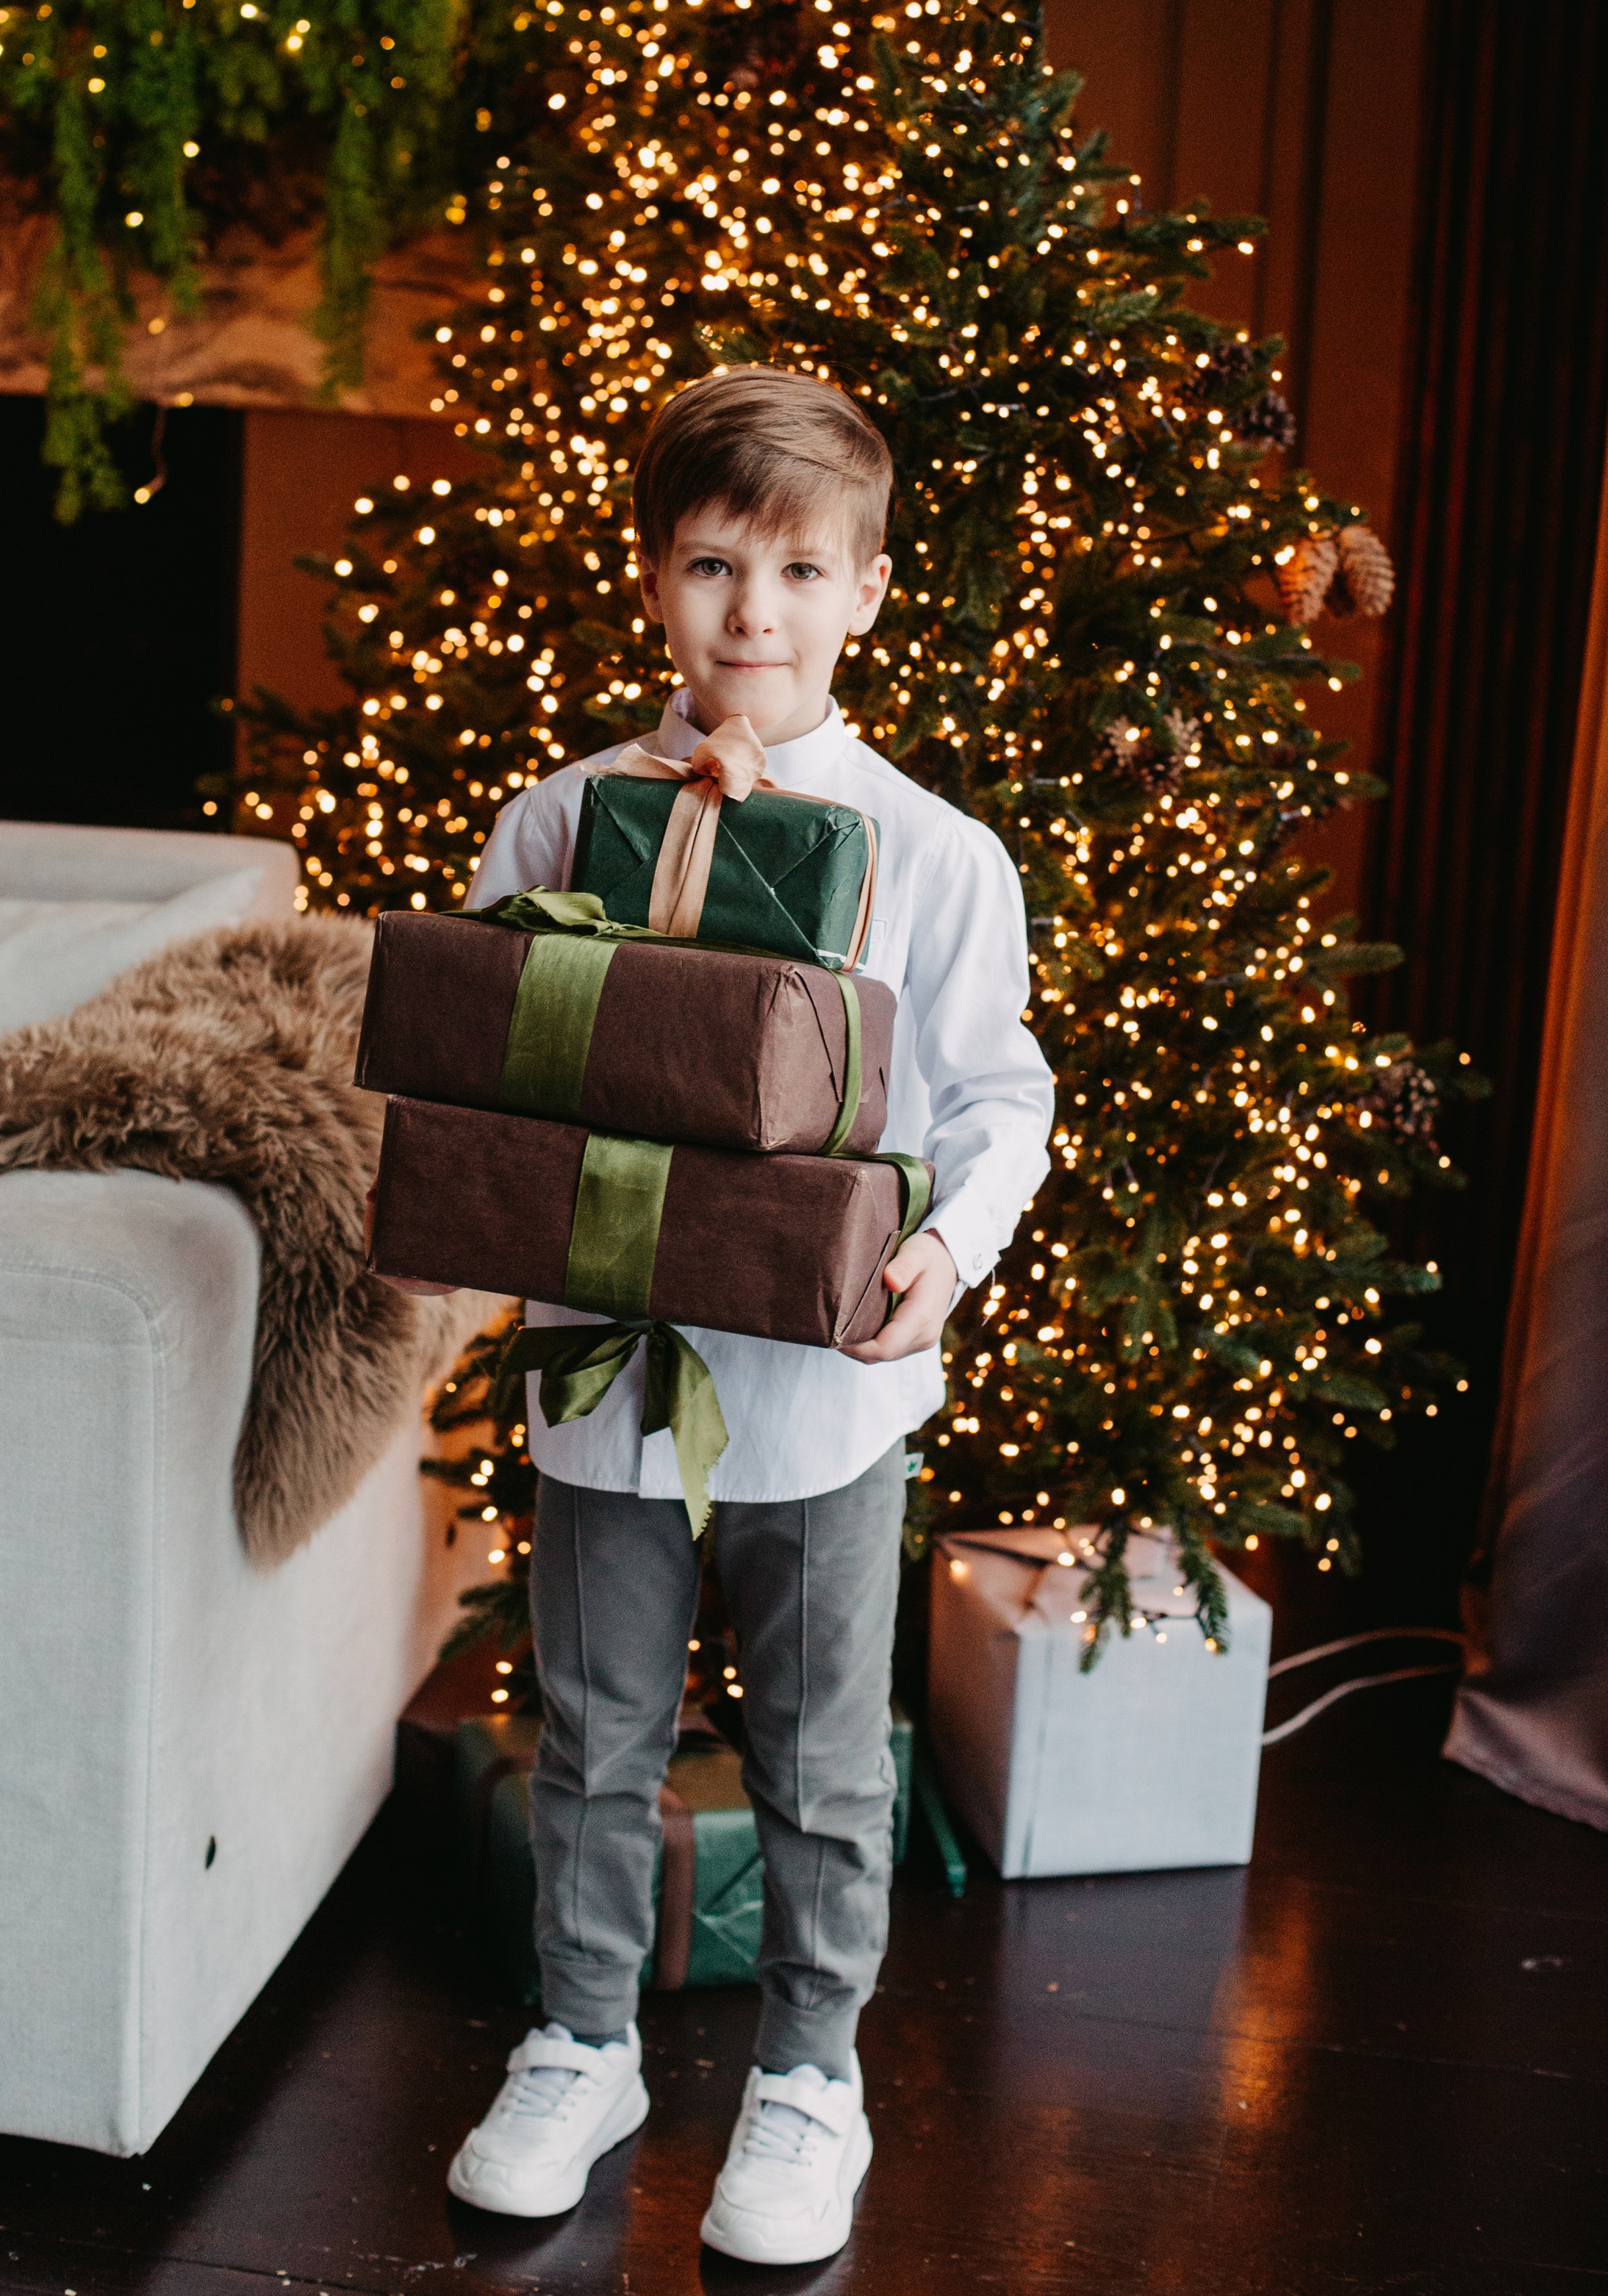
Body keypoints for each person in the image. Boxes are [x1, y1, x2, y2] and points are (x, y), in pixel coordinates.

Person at [435, 365, 1053, 2264]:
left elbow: (991, 1099)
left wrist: (938, 1260)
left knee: (817, 1749)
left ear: (869, 589)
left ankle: (809, 2077)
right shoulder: (560, 825)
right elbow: (481, 1058)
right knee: (598, 1726)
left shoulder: (935, 857)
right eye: (715, 566)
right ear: (655, 580)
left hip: (821, 1397)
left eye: (799, 570)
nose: (754, 616)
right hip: (605, 1376)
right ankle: (584, 2039)